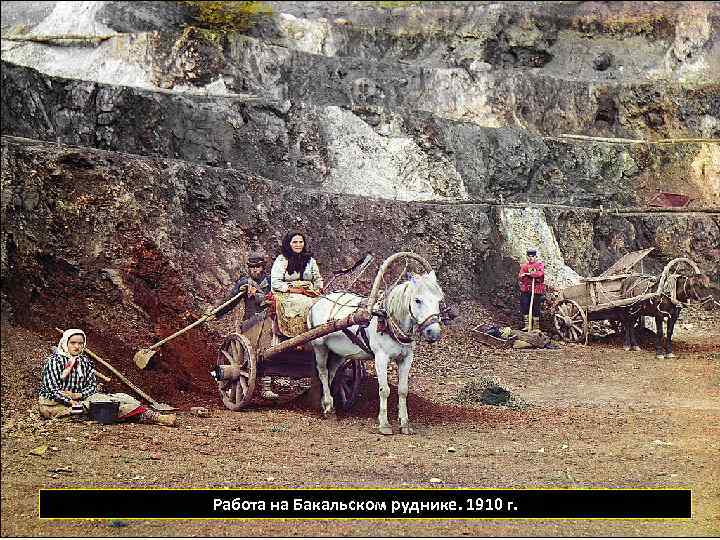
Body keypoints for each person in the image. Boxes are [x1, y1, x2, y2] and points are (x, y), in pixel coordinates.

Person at [38, 329, 176, 426]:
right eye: (73, 343)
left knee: (120, 397)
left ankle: (145, 413)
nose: (77, 346)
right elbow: (51, 390)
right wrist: (70, 401)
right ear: (65, 343)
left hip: (80, 398)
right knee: (101, 407)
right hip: (55, 405)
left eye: (80, 343)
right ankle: (154, 417)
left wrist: (78, 394)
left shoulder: (84, 362)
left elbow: (92, 386)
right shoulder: (54, 361)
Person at [214, 251, 278, 401]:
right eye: (252, 267)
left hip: (271, 322)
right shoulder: (244, 283)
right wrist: (215, 313)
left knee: (271, 328)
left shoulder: (272, 282)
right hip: (251, 325)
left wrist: (259, 296)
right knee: (265, 340)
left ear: (263, 267)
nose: (255, 270)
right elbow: (230, 301)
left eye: (258, 267)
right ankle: (265, 385)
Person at [269, 231, 324, 341]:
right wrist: (295, 290)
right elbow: (275, 282)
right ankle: (299, 338)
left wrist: (318, 289)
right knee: (305, 303)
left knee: (323, 303)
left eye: (301, 242)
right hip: (286, 293)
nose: (298, 245)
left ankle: (321, 334)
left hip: (309, 291)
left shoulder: (310, 261)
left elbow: (317, 278)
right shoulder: (281, 260)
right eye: (295, 242)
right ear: (289, 244)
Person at [517, 248, 545, 331]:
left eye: (532, 256)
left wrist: (530, 274)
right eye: (529, 256)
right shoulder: (524, 266)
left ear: (536, 257)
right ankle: (527, 325)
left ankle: (536, 327)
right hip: (526, 289)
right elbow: (520, 276)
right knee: (525, 305)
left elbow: (540, 274)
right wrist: (524, 276)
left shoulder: (539, 265)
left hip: (536, 289)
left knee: (535, 306)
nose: (530, 258)